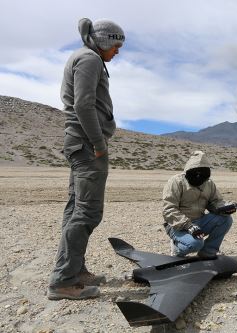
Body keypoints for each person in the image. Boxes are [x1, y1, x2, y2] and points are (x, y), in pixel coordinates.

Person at [48, 18, 125, 300]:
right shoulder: (90, 59)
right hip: (87, 146)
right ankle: (63, 281)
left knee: (75, 209)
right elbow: (83, 104)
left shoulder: (85, 57)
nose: (117, 51)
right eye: (116, 45)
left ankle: (74, 271)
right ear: (104, 40)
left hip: (79, 144)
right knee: (88, 212)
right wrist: (98, 143)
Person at [163, 151, 237, 257]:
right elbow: (169, 209)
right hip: (177, 225)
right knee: (196, 244)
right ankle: (177, 248)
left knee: (225, 219)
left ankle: (208, 252)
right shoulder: (176, 182)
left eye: (202, 176)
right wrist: (188, 226)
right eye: (196, 175)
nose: (199, 178)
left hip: (199, 221)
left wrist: (223, 209)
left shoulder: (209, 184)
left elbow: (215, 202)